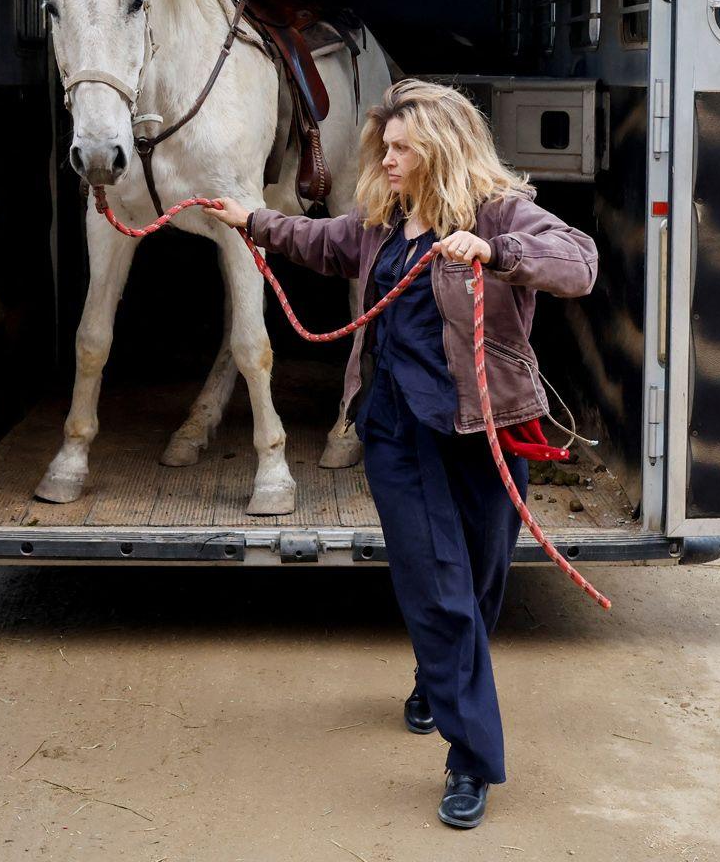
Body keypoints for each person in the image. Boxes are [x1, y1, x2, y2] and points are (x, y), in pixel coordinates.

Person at [204, 78, 598, 830]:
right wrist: (250, 220)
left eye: (399, 149)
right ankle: (472, 757)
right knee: (442, 587)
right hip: (396, 429)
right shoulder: (383, 223)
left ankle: (434, 676)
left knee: (482, 581)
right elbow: (319, 243)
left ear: (439, 151)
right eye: (383, 148)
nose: (385, 160)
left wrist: (496, 250)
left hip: (485, 427)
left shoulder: (499, 212)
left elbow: (577, 262)